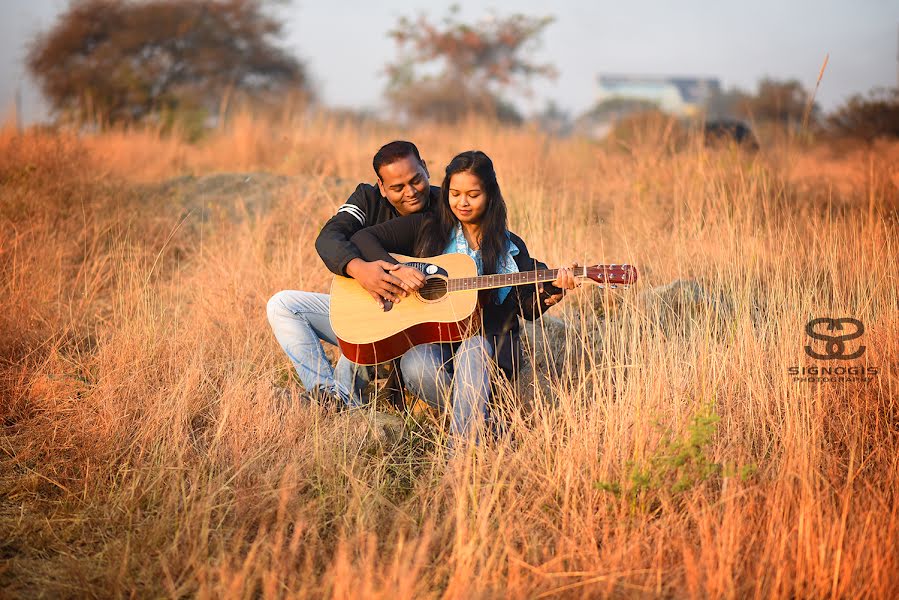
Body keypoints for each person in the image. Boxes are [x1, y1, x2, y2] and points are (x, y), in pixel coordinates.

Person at [350, 150, 578, 441]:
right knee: (416, 364)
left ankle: (460, 456)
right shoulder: (428, 228)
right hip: (434, 344)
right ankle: (488, 423)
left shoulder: (510, 247)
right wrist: (398, 270)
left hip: (490, 351)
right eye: (455, 193)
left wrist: (555, 290)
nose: (462, 202)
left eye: (473, 194)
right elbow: (362, 238)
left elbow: (527, 309)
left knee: (475, 348)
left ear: (490, 195)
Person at [266, 141, 439, 407]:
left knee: (369, 328)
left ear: (425, 169)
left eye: (416, 180)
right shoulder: (366, 199)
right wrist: (360, 269)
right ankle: (325, 393)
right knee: (282, 305)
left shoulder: (447, 207)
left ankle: (339, 401)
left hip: (418, 331)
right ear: (381, 187)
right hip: (366, 309)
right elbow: (329, 238)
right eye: (397, 187)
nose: (411, 192)